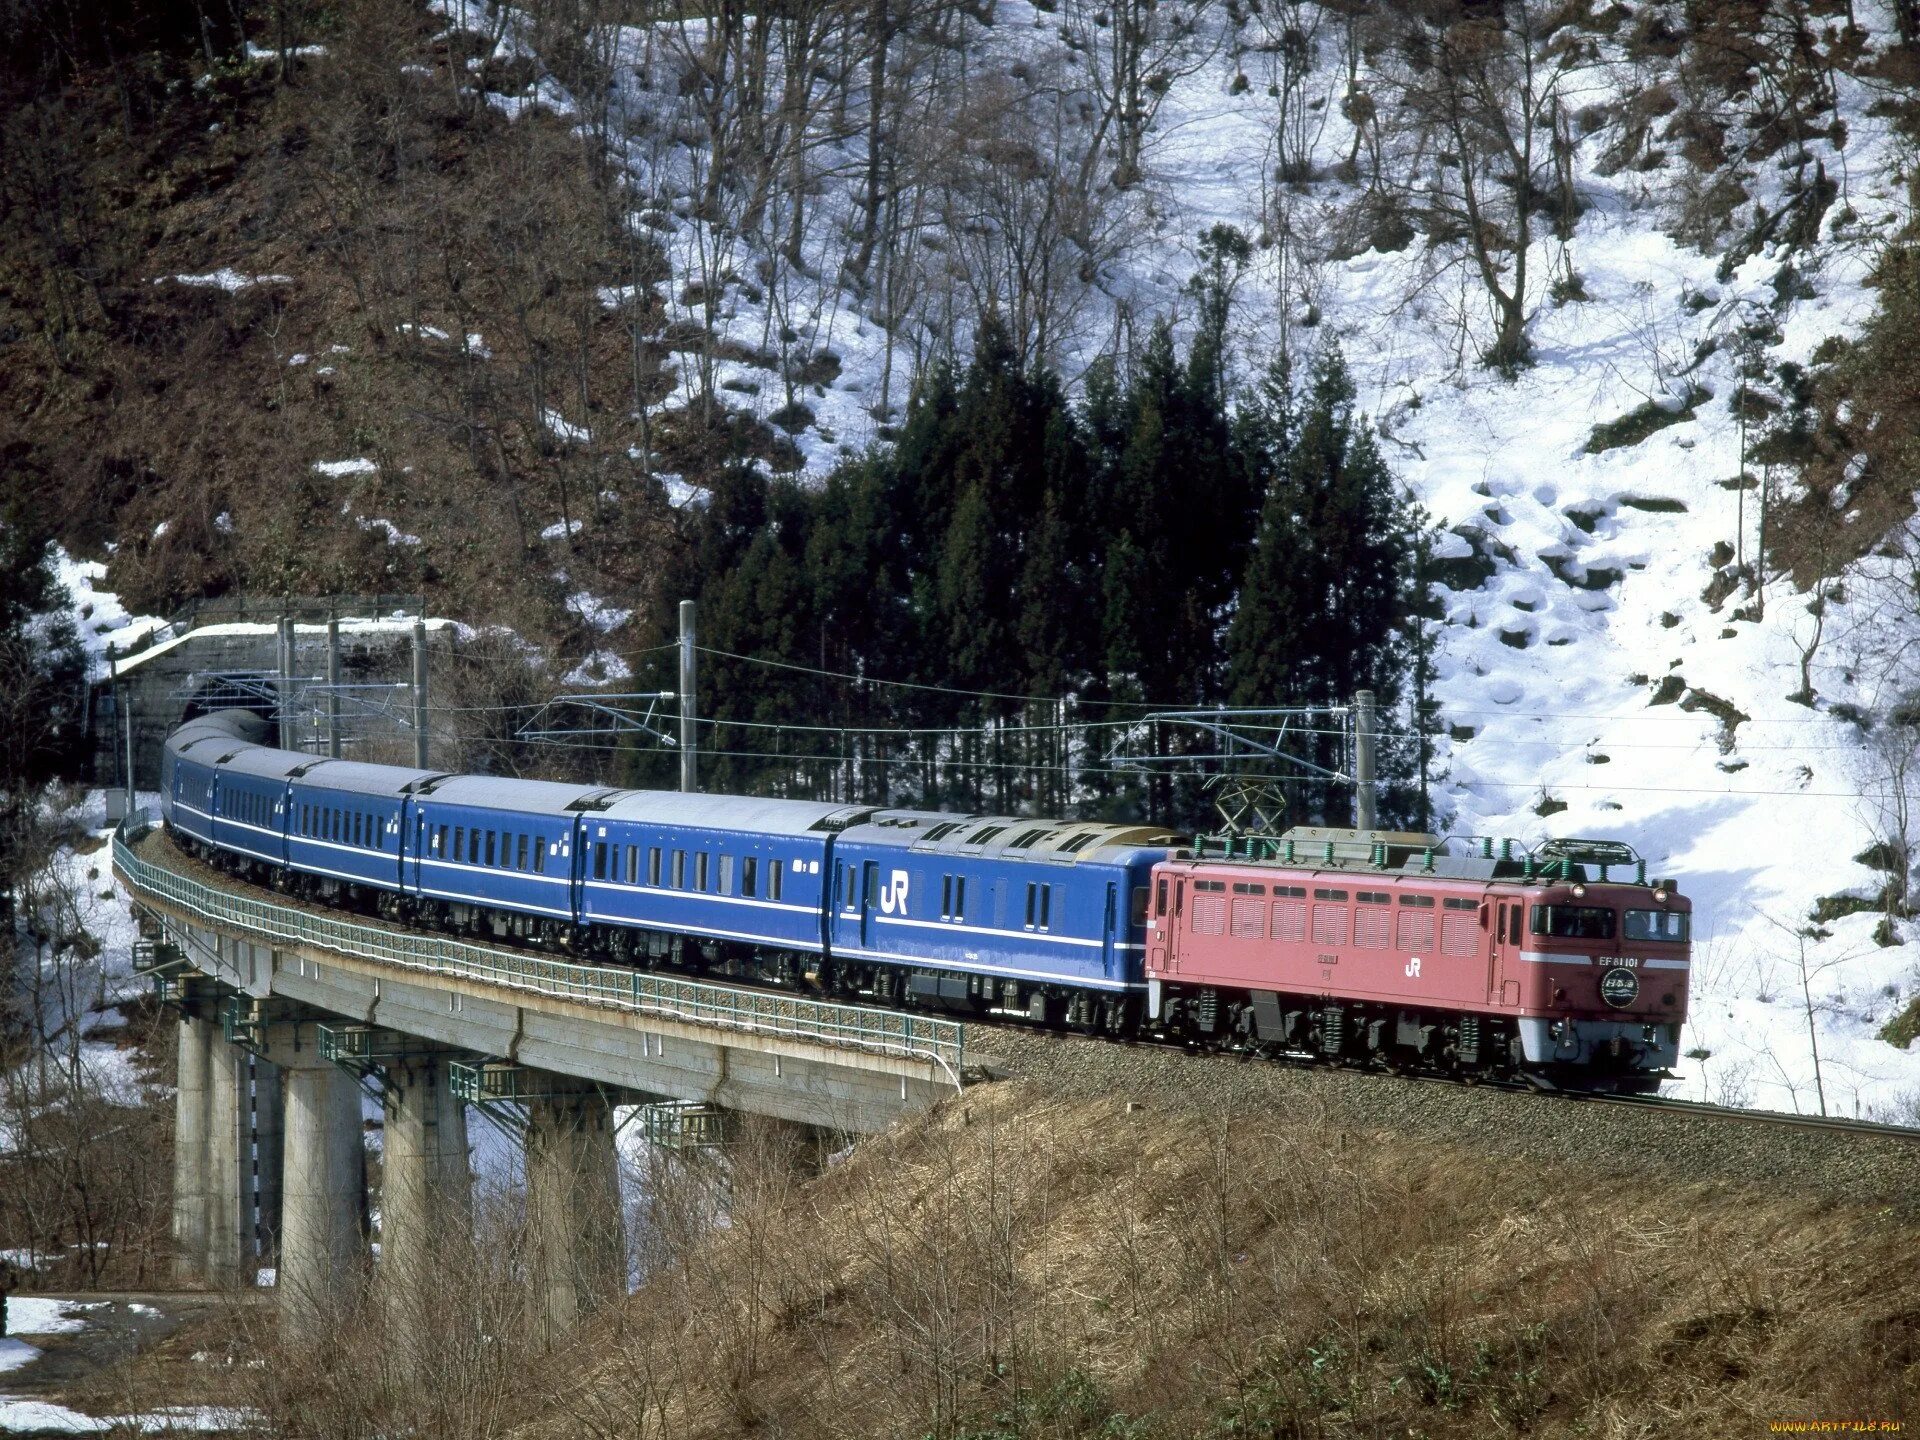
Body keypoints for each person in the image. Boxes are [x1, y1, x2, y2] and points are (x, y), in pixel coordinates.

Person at [0, 1259, 15, 1338]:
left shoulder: (5, 1272)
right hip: (2, 1296)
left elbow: (6, 1285)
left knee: (1, 1318)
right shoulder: (5, 1272)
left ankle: (2, 1335)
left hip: (1, 1297)